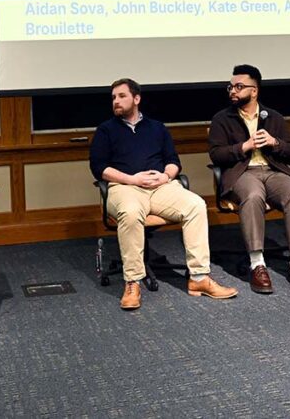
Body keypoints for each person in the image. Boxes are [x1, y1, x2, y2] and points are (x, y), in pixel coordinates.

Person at [90, 78, 238, 310]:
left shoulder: (156, 127)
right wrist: (132, 179)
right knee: (129, 212)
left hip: (161, 186)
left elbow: (173, 161)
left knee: (196, 205)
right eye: (113, 98)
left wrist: (166, 177)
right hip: (124, 187)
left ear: (136, 99)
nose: (116, 101)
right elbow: (99, 168)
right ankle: (132, 282)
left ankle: (199, 278)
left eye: (121, 96)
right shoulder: (105, 130)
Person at [209, 64, 290, 294]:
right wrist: (243, 146)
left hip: (273, 171)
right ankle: (257, 264)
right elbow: (216, 154)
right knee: (254, 196)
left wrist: (274, 142)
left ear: (254, 91)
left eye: (238, 87)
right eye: (230, 87)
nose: (232, 91)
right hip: (242, 173)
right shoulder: (222, 119)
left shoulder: (273, 117)